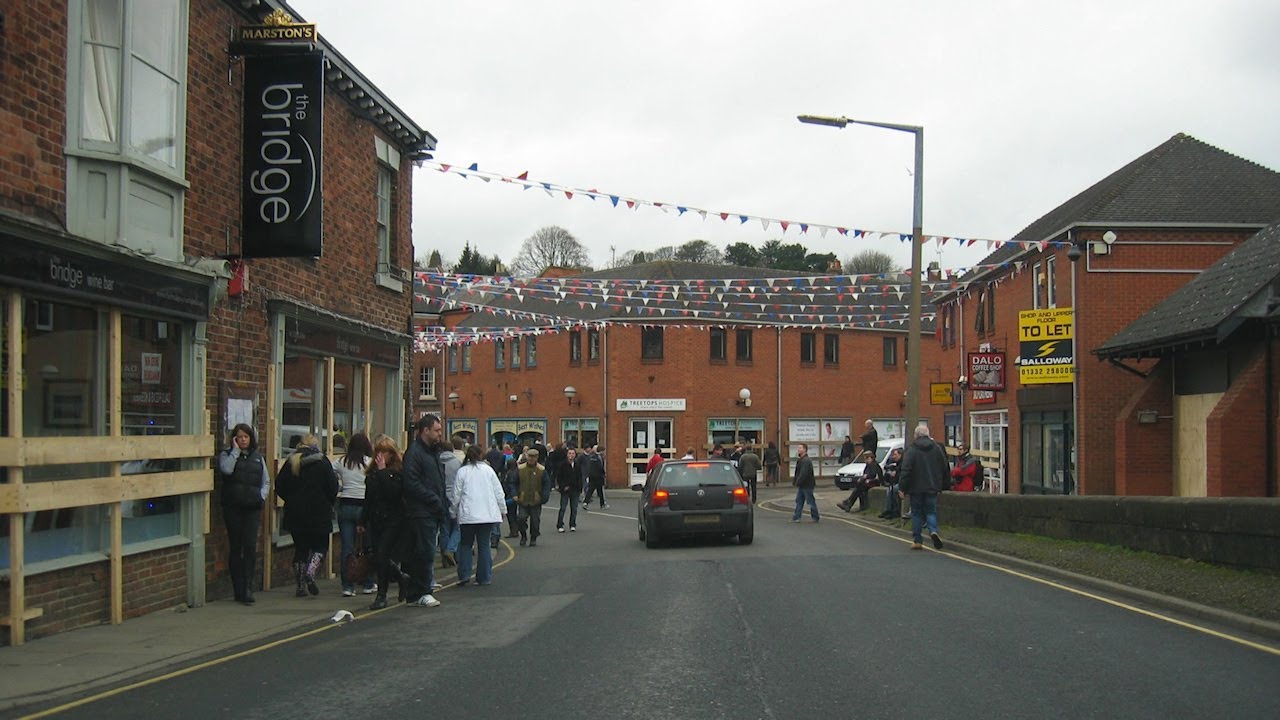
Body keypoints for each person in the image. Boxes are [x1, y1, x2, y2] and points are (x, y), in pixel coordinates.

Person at [275, 434, 338, 598]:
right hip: (319, 512)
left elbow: (279, 485)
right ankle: (311, 571)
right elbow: (333, 487)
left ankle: (300, 586)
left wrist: (290, 499)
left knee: (301, 549)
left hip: (295, 513)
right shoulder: (323, 462)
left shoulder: (291, 462)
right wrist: (328, 502)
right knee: (321, 546)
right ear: (315, 445)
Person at [217, 423, 269, 605]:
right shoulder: (226, 455)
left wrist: (261, 496)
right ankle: (237, 589)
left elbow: (266, 481)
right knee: (235, 547)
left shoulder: (258, 457)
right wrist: (235, 451)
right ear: (234, 439)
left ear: (251, 438)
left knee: (250, 546)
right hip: (233, 508)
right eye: (239, 437)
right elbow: (226, 470)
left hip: (252, 508)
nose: (243, 440)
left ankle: (248, 588)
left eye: (246, 436)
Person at [401, 414, 447, 607]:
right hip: (421, 511)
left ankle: (415, 592)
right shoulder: (415, 453)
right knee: (425, 552)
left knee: (425, 551)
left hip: (431, 510)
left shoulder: (432, 452)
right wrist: (434, 499)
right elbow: (411, 483)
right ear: (425, 431)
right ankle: (423, 592)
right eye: (436, 430)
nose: (440, 434)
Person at [360, 436, 411, 610]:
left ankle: (381, 595)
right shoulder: (372, 474)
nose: (380, 456)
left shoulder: (397, 473)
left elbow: (393, 494)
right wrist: (362, 520)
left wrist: (382, 472)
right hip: (376, 520)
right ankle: (401, 577)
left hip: (394, 520)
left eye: (385, 452)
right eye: (378, 452)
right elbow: (368, 498)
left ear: (392, 454)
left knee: (382, 555)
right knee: (378, 557)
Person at [452, 444, 507, 586]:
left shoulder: (462, 471)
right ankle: (484, 577)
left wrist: (453, 511)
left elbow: (456, 495)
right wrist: (503, 509)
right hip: (487, 515)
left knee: (465, 545)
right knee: (484, 545)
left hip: (468, 515)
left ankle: (464, 575)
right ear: (481, 455)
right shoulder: (488, 470)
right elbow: (499, 492)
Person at [334, 432, 377, 597]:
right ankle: (368, 583)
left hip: (345, 505)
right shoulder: (369, 462)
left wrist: (340, 485)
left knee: (347, 547)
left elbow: (330, 471)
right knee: (367, 547)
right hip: (364, 507)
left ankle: (347, 586)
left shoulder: (341, 462)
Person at [898, 424, 949, 550]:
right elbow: (945, 467)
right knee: (931, 511)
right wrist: (945, 485)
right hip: (932, 486)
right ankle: (933, 530)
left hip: (915, 487)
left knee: (916, 513)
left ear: (916, 435)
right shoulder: (937, 448)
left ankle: (917, 540)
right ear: (928, 434)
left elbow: (906, 469)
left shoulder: (911, 449)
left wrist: (902, 487)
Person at [439, 435, 464, 569]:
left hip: (441, 497)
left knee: (444, 528)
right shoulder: (457, 463)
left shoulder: (436, 461)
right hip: (454, 497)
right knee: (458, 527)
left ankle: (444, 556)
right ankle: (451, 550)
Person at [515, 448, 550, 546]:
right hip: (523, 499)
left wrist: (544, 497)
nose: (531, 459)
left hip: (536, 500)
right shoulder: (520, 469)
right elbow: (513, 482)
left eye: (533, 457)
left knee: (535, 521)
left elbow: (546, 484)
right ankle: (523, 535)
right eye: (529, 456)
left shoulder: (541, 470)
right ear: (527, 456)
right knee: (521, 518)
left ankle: (533, 537)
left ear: (537, 458)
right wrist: (514, 494)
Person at [556, 447, 583, 532]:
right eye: (569, 453)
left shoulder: (577, 465)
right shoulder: (563, 465)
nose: (571, 455)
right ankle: (560, 525)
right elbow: (559, 477)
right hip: (566, 490)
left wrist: (580, 488)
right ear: (567, 455)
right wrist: (563, 486)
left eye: (573, 453)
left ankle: (572, 524)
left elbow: (579, 477)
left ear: (575, 455)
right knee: (563, 508)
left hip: (575, 489)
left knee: (574, 509)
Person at [791, 443, 818, 522]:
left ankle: (815, 517)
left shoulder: (806, 460)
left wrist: (798, 482)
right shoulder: (801, 459)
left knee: (810, 502)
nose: (798, 449)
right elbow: (798, 472)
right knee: (799, 501)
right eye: (798, 448)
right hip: (802, 485)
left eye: (800, 448)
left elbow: (804, 473)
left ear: (805, 449)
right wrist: (795, 481)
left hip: (807, 485)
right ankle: (797, 517)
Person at [877, 447, 904, 519]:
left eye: (895, 455)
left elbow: (902, 475)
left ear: (900, 455)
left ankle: (894, 511)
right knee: (889, 489)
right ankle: (888, 509)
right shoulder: (897, 463)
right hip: (897, 482)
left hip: (903, 483)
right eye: (893, 455)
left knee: (893, 489)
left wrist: (895, 474)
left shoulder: (903, 463)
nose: (893, 456)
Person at [581, 444, 608, 510]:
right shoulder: (598, 458)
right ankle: (602, 504)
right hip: (598, 477)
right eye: (603, 451)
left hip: (592, 476)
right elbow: (600, 467)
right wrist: (603, 474)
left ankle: (586, 503)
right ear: (601, 451)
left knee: (591, 490)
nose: (604, 452)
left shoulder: (592, 457)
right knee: (600, 491)